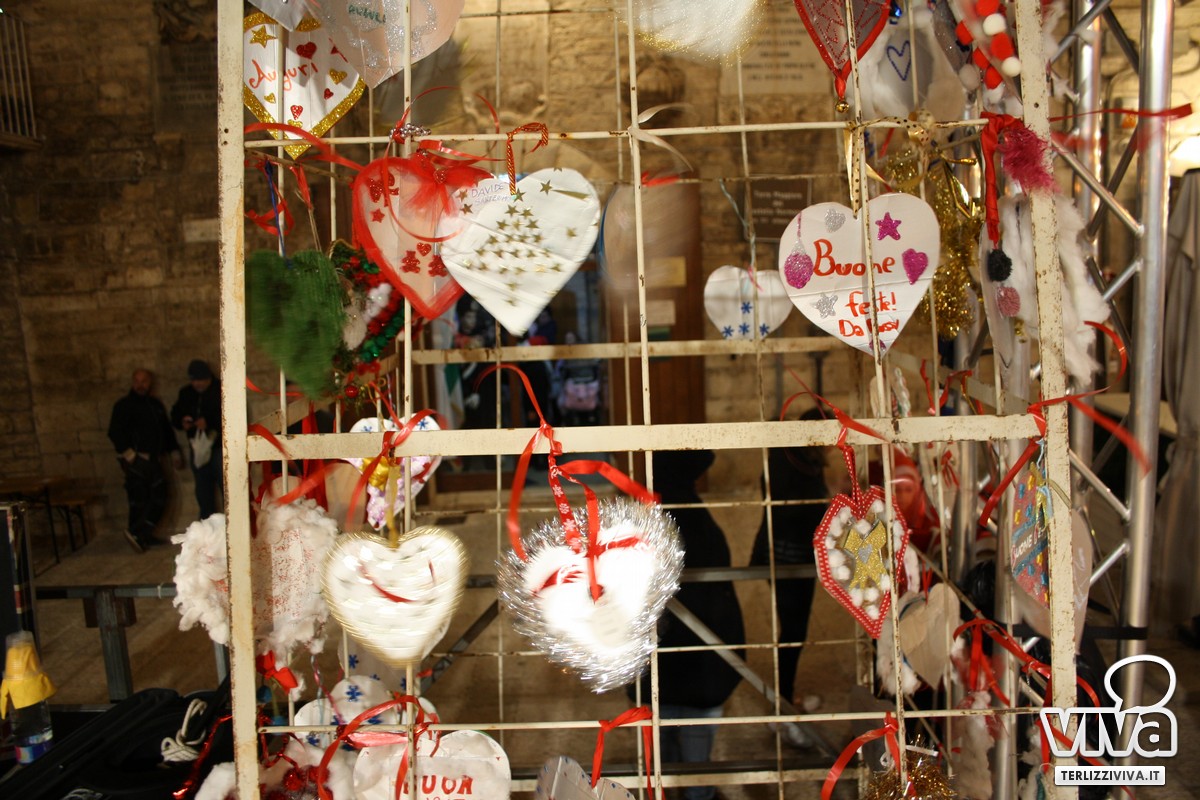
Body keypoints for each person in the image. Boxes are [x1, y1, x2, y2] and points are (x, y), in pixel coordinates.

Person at [631, 450, 745, 800]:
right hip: (702, 671)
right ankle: (699, 794)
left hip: (655, 671)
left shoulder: (641, 527)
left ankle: (667, 792)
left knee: (660, 751)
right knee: (697, 758)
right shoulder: (702, 524)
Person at [749, 411, 830, 749]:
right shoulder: (792, 464)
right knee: (793, 632)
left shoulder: (797, 460)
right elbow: (794, 511)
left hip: (788, 555)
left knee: (793, 631)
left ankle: (786, 697)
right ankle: (782, 706)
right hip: (787, 558)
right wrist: (829, 508)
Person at [107, 368, 183, 552]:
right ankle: (137, 534)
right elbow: (115, 432)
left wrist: (174, 451)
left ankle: (144, 535)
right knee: (139, 498)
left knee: (157, 497)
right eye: (137, 381)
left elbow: (165, 431)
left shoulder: (155, 405)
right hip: (137, 461)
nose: (140, 385)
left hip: (155, 459)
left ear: (150, 383)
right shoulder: (124, 406)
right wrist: (130, 456)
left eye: (144, 381)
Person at [171, 359, 223, 520]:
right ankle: (207, 523)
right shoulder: (186, 393)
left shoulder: (221, 390)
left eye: (201, 380)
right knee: (203, 489)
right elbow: (175, 414)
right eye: (194, 380)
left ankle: (234, 523)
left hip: (219, 447)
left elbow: (231, 415)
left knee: (227, 487)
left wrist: (209, 423)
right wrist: (183, 422)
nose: (197, 384)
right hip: (198, 447)